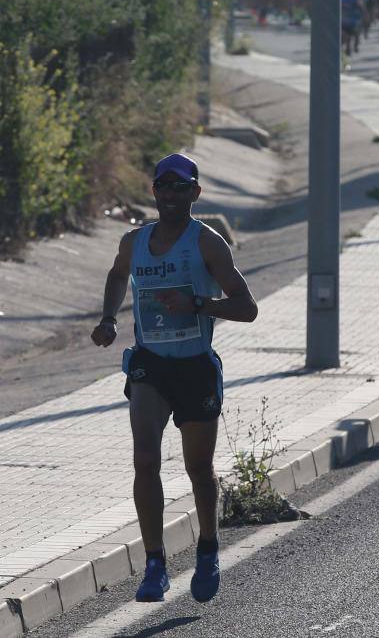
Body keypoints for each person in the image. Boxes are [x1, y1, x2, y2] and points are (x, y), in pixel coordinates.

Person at [91, 154, 258, 604]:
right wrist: (108, 319)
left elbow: (247, 307)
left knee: (198, 470)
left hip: (196, 367)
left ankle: (207, 549)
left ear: (195, 194)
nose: (170, 195)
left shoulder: (207, 244)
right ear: (154, 191)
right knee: (145, 460)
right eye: (163, 186)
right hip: (151, 364)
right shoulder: (134, 242)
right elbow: (117, 274)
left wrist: (200, 305)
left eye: (180, 187)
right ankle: (154, 563)